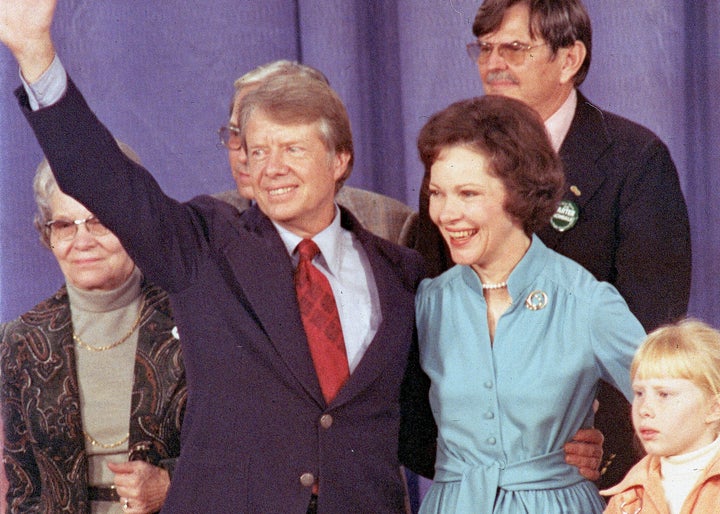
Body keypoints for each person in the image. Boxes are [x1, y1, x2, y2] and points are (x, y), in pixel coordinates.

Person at [0, 4, 603, 510]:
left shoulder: (402, 274)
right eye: (257, 151)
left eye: (291, 147)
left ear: (341, 158)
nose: (271, 168)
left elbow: (427, 427)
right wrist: (35, 53)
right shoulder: (204, 245)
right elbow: (106, 181)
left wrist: (546, 451)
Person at [413, 0, 692, 489]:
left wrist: (605, 447)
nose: (493, 64)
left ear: (569, 59)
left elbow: (652, 334)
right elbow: (436, 310)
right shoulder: (454, 161)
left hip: (583, 465)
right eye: (485, 49)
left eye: (514, 49)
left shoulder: (637, 160)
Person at [413, 95, 645, 513]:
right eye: (437, 193)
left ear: (519, 194)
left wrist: (623, 469)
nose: (447, 213)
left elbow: (684, 402)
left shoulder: (586, 302)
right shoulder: (427, 302)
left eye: (468, 194)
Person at [0, 148, 185, 513]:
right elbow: (24, 488)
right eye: (65, 225)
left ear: (132, 223)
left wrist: (170, 484)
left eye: (100, 221)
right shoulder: (21, 340)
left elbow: (238, 454)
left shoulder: (191, 321)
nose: (82, 242)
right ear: (46, 235)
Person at [215, 59, 419, 246]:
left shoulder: (388, 223)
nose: (244, 156)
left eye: (291, 148)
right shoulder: (206, 229)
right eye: (235, 133)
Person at [601, 319, 720, 513]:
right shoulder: (627, 498)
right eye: (639, 393)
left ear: (714, 408)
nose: (644, 409)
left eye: (664, 394)